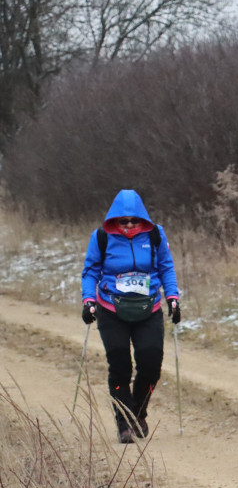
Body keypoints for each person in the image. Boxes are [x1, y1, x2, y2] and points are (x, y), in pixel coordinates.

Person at [80, 189, 181, 444]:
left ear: (142, 219)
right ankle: (123, 422)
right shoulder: (102, 237)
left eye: (133, 220)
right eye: (123, 221)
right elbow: (90, 270)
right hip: (111, 309)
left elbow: (166, 267)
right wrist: (88, 301)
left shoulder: (155, 235)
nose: (128, 226)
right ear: (115, 219)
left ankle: (138, 411)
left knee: (150, 364)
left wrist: (173, 297)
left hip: (149, 309)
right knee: (120, 366)